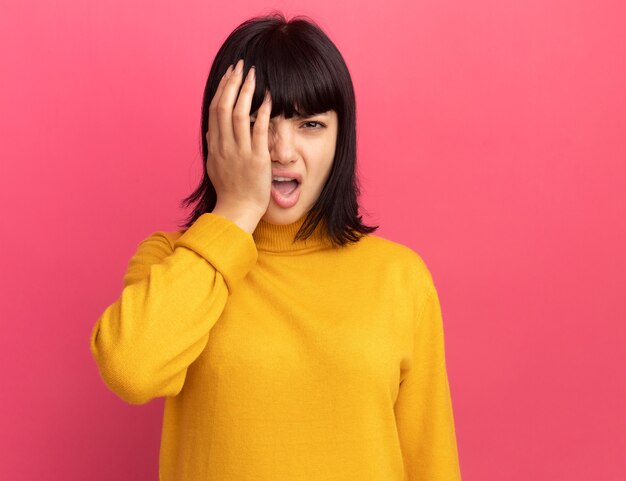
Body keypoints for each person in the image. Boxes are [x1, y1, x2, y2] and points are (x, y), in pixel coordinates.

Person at [89, 11, 462, 481]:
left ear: (340, 137)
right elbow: (130, 370)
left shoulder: (400, 278)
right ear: (218, 132)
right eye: (259, 122)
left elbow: (431, 464)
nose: (282, 151)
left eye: (310, 124)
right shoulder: (174, 261)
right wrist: (236, 213)